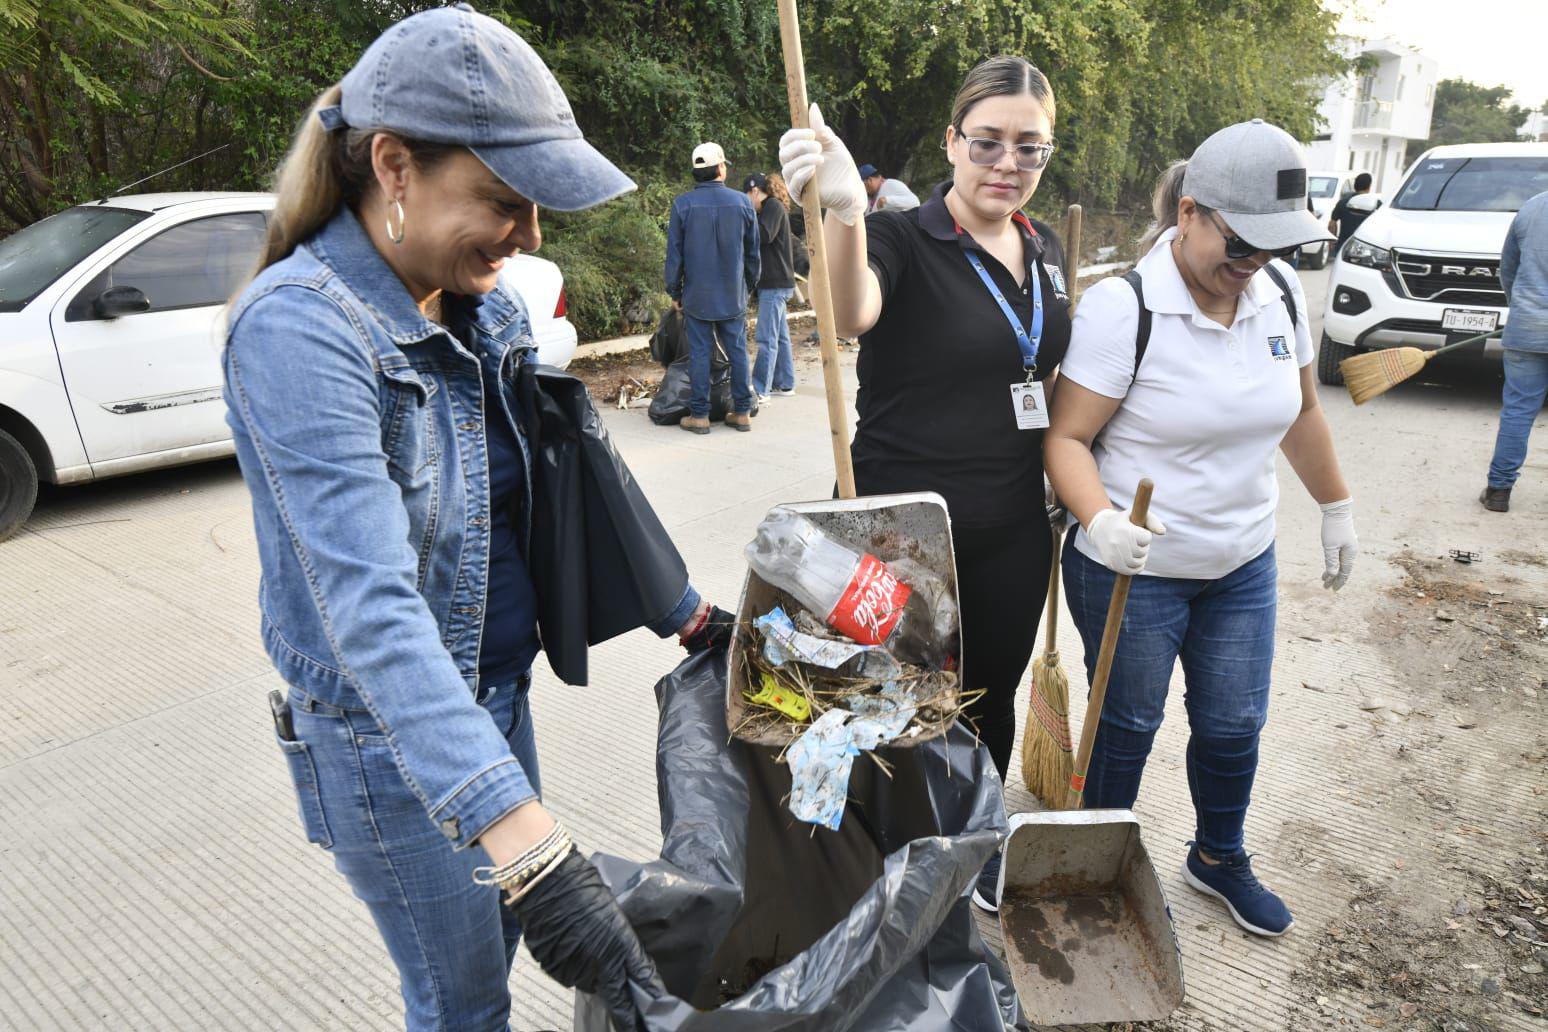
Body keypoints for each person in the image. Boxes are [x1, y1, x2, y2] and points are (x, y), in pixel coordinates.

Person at [221, 8, 732, 1028]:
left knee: (491, 960)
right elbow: (369, 604)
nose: (531, 236)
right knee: (462, 1003)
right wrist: (529, 845)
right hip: (388, 739)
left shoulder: (481, 306)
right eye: (503, 200)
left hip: (497, 698)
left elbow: (575, 473)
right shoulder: (300, 331)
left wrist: (688, 614)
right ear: (394, 166)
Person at [1045, 119, 1358, 939]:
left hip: (1241, 561)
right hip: (1133, 567)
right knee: (1129, 724)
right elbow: (1065, 437)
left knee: (1232, 722)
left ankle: (1217, 857)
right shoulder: (1127, 309)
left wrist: (1336, 507)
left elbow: (1304, 414)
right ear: (1189, 213)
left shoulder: (1279, 294)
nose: (1252, 262)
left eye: (1273, 247)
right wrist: (1099, 519)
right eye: (1240, 241)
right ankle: (1092, 862)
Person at [781, 55, 1072, 914]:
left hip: (1016, 523)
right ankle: (880, 851)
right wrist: (841, 213)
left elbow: (1049, 371)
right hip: (904, 533)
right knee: (889, 699)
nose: (1006, 165)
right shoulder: (903, 239)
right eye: (987, 142)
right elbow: (850, 308)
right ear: (952, 141)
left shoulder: (1044, 245)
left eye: (1030, 149)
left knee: (990, 693)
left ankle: (972, 839)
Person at [665, 142, 760, 434]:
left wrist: (675, 292)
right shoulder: (743, 203)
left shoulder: (683, 204)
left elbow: (675, 255)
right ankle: (742, 412)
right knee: (738, 352)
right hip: (733, 295)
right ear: (720, 168)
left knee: (700, 354)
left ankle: (700, 416)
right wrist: (749, 287)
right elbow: (753, 253)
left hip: (697, 297)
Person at [1481, 188, 1548, 512]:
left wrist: (1520, 309)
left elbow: (1508, 269)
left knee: (1519, 410)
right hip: (1528, 324)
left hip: (1528, 328)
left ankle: (1498, 490)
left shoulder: (1533, 208)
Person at [743, 172, 798, 399]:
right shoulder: (769, 209)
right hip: (775, 282)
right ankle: (785, 383)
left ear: (755, 191)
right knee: (780, 336)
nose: (746, 201)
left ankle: (760, 388)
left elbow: (764, 235)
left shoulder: (772, 207)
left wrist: (746, 219)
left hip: (775, 284)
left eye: (746, 196)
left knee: (766, 338)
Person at [1330, 172, 1376, 251]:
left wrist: (1332, 242)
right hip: (1365, 249)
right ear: (1369, 186)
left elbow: (1332, 224)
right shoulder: (1375, 205)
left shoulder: (1343, 202)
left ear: (1355, 186)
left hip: (1343, 247)